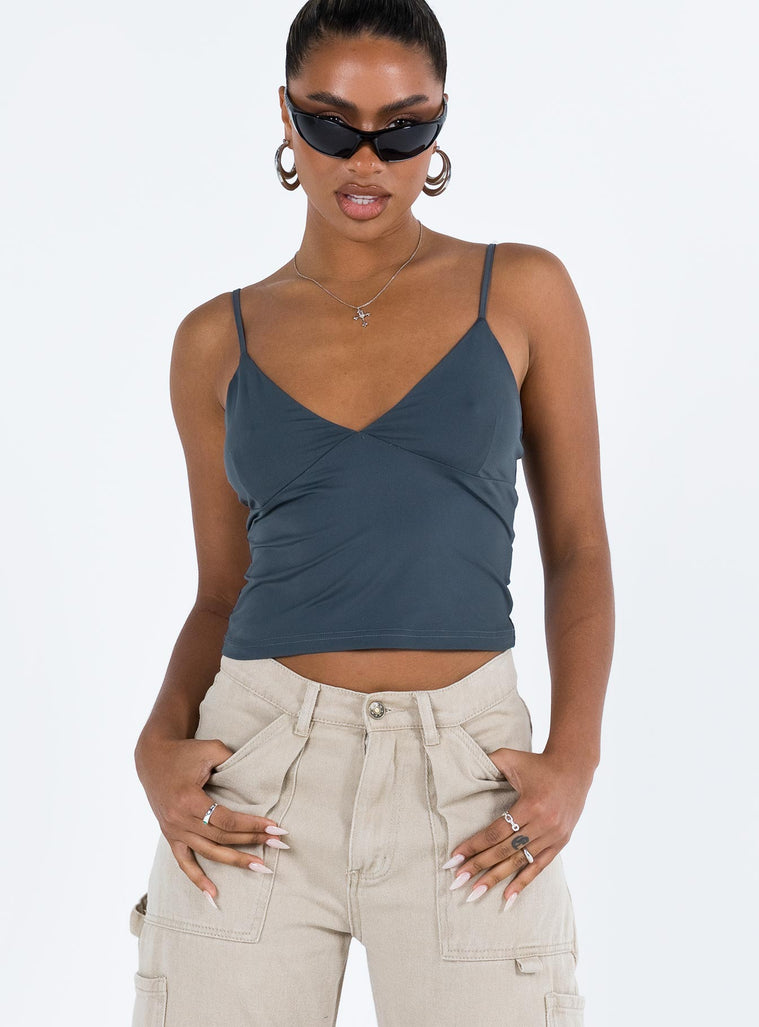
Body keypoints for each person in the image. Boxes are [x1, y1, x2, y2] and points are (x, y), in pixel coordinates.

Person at [129, 1, 614, 1024]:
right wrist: (153, 746)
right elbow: (220, 591)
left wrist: (575, 759)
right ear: (285, 115)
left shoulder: (520, 291)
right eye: (330, 122)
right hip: (257, 773)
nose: (365, 160)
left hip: (468, 779)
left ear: (440, 121)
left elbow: (577, 547)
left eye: (402, 128)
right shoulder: (215, 340)